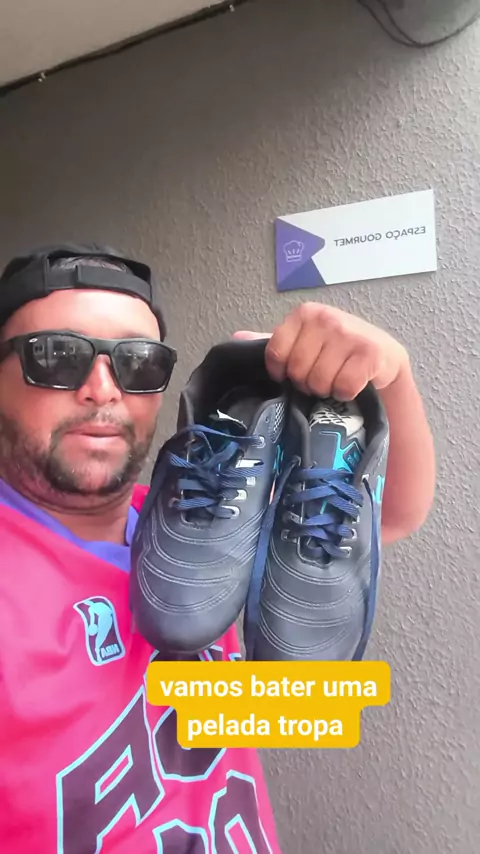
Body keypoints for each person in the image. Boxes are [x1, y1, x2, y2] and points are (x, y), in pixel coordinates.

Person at [0, 244, 435, 854]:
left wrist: (390, 378)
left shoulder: (201, 527)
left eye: (138, 362)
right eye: (56, 355)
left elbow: (392, 514)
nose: (103, 389)